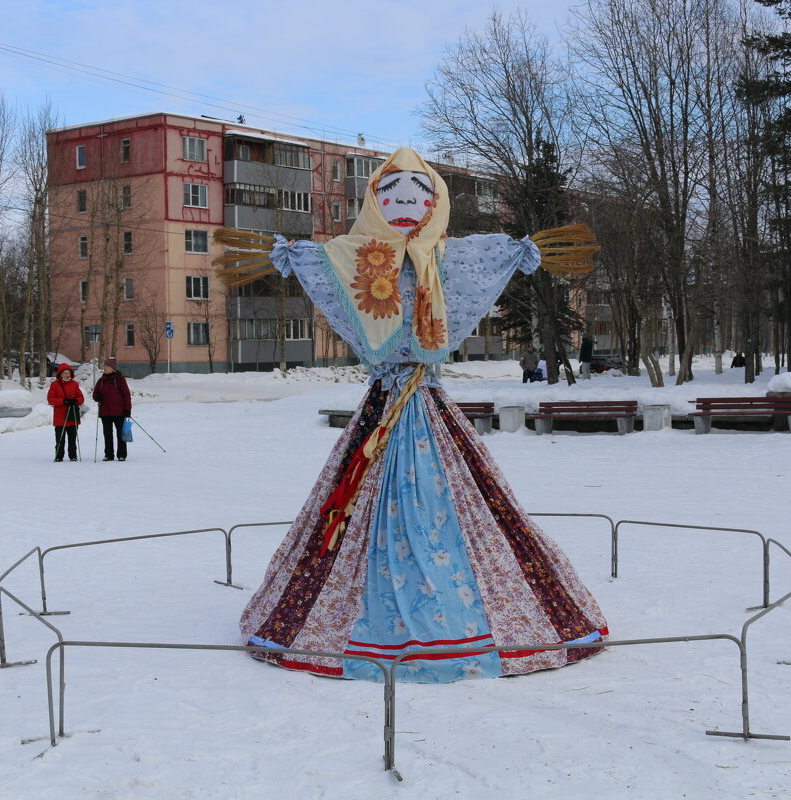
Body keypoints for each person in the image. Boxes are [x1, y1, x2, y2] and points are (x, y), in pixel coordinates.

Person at [216, 147, 607, 684]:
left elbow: (484, 257)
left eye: (418, 196)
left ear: (434, 203)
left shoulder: (446, 258)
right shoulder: (351, 256)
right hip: (388, 401)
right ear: (374, 203)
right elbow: (319, 259)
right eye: (391, 196)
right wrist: (290, 254)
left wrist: (519, 250)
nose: (404, 205)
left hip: (418, 400)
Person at [92, 356, 132, 461]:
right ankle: (109, 454)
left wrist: (127, 409)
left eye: (107, 366)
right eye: (104, 366)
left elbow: (126, 395)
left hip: (119, 412)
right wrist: (97, 397)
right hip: (105, 412)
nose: (105, 368)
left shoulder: (120, 379)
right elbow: (95, 394)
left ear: (113, 368)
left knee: (120, 434)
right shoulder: (101, 380)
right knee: (107, 435)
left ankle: (121, 454)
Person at [47, 363, 85, 462]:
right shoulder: (55, 384)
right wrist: (63, 401)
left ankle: (73, 455)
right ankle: (59, 455)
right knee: (60, 438)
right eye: (65, 373)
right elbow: (50, 399)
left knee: (72, 438)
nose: (67, 375)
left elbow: (81, 398)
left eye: (69, 373)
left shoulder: (75, 384)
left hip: (72, 415)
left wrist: (75, 401)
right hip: (60, 416)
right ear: (60, 374)